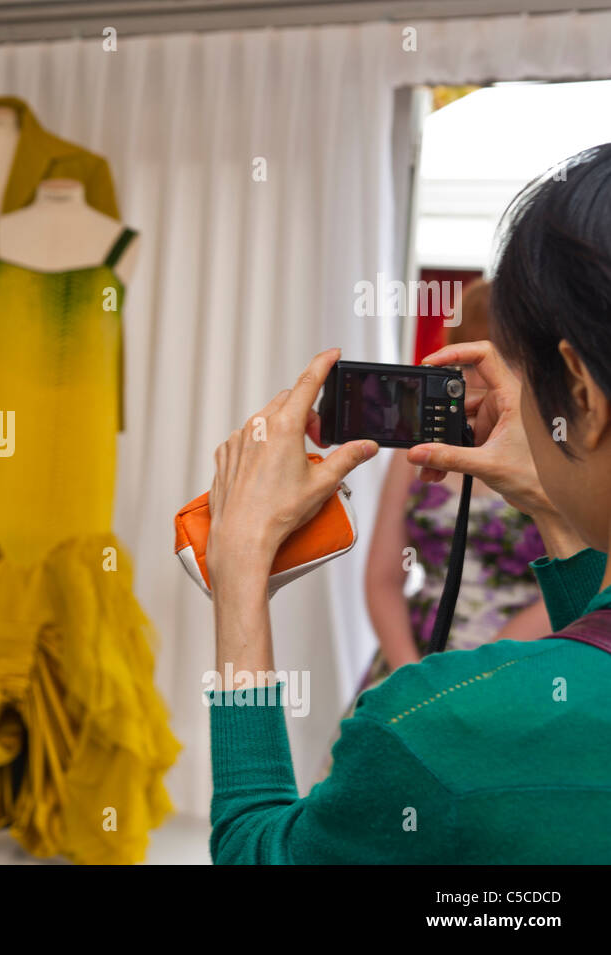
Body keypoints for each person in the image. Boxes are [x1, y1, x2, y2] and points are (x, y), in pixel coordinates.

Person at [204, 145, 611, 863]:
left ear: (577, 387)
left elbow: (257, 851)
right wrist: (554, 506)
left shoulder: (442, 727)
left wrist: (239, 569)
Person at [361, 280, 548, 696]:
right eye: (464, 364)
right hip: (416, 657)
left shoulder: (558, 452)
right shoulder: (418, 446)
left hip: (523, 663)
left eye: (497, 362)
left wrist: (481, 668)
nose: (474, 381)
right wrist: (409, 676)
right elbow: (382, 578)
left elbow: (584, 573)